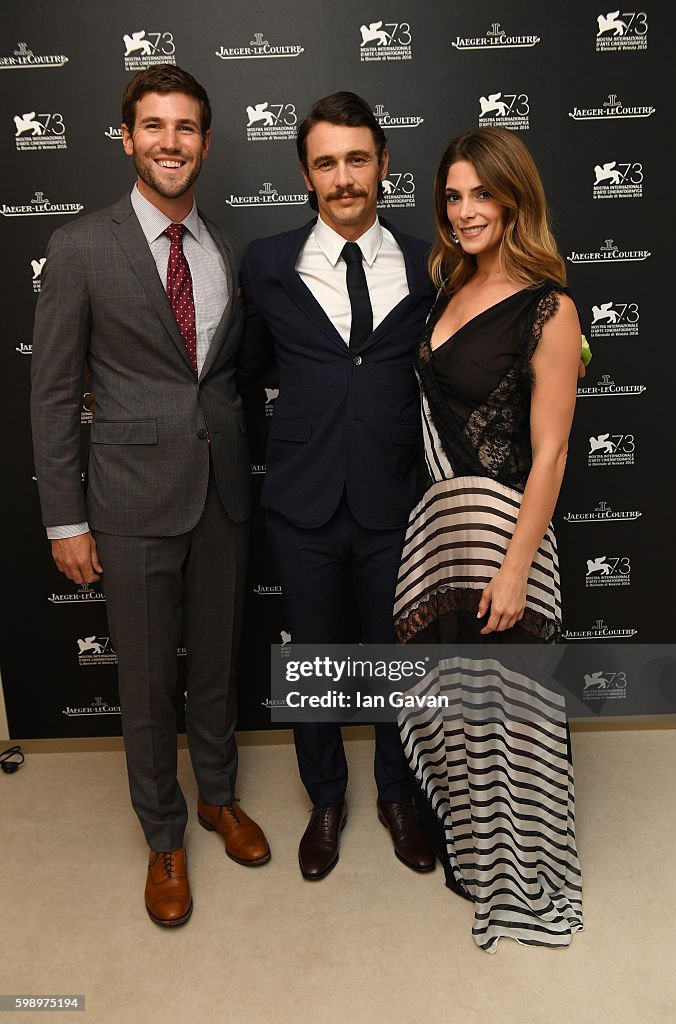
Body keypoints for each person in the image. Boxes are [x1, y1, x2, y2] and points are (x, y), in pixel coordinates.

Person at [30, 64, 270, 928]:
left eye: (188, 128)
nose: (172, 143)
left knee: (214, 670)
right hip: (126, 502)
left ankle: (216, 797)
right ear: (127, 137)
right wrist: (65, 517)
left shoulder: (226, 250)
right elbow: (53, 394)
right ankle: (163, 834)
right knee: (144, 687)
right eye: (154, 127)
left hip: (220, 498)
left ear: (207, 141)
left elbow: (222, 380)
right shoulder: (80, 246)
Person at [393, 127, 584, 951]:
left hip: (504, 532)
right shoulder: (447, 284)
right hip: (443, 528)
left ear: (512, 198)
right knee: (460, 707)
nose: (464, 210)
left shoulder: (549, 305)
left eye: (480, 194)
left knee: (512, 710)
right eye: (452, 195)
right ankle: (475, 849)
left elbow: (550, 453)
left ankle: (521, 867)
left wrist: (513, 571)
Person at [239, 92, 435, 880]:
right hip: (302, 503)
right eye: (327, 163)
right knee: (315, 660)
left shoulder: (429, 262)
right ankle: (325, 797)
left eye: (358, 159)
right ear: (305, 174)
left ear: (383, 164)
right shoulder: (268, 263)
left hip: (396, 499)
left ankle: (396, 795)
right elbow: (247, 375)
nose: (344, 177)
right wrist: (283, 455)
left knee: (394, 660)